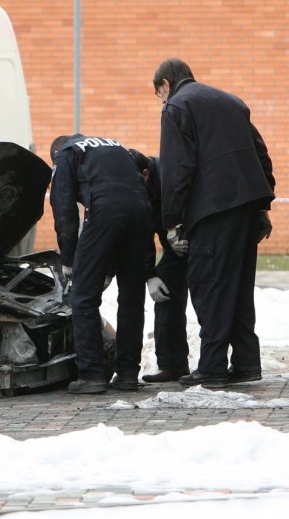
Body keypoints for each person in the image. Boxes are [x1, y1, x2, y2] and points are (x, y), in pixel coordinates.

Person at [154, 58, 275, 387]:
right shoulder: (231, 101)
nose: (161, 102)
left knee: (211, 287)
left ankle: (212, 367)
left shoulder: (177, 107)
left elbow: (177, 169)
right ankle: (248, 363)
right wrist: (262, 205)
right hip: (247, 209)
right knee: (237, 288)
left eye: (159, 95)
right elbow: (260, 153)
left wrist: (173, 221)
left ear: (165, 85)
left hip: (212, 210)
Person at [50, 134, 151, 393]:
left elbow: (64, 209)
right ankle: (128, 373)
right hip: (141, 209)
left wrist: (69, 259)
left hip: (107, 209)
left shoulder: (65, 154)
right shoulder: (113, 144)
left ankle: (92, 375)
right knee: (131, 296)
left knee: (83, 296)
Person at [129, 149, 190, 382]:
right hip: (174, 247)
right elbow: (142, 233)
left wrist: (183, 232)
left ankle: (217, 364)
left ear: (146, 174)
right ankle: (173, 364)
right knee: (165, 289)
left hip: (201, 237)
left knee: (213, 298)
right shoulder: (136, 188)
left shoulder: (171, 175)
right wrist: (149, 275)